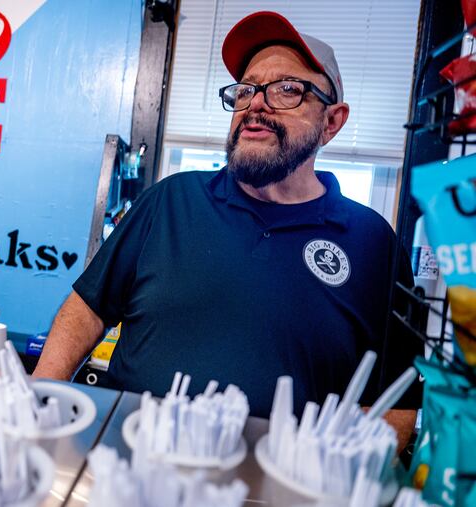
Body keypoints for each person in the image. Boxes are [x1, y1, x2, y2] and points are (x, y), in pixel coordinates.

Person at [33, 11, 420, 440]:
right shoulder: (170, 201)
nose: (255, 104)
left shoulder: (373, 245)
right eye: (245, 90)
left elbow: (397, 405)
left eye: (287, 90)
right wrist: (42, 399)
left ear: (332, 122)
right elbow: (86, 309)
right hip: (124, 466)